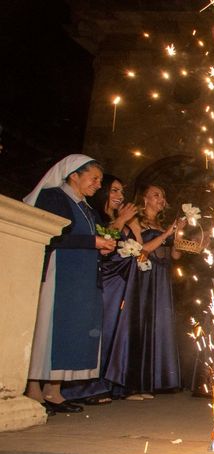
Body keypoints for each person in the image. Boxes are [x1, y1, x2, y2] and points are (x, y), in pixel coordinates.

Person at [23, 155, 116, 414]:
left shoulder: (86, 207)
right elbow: (50, 235)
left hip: (82, 276)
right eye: (94, 178)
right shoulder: (53, 197)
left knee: (70, 330)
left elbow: (96, 236)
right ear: (74, 175)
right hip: (60, 272)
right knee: (50, 327)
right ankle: (33, 389)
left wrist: (104, 245)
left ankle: (54, 390)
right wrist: (94, 243)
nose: (98, 184)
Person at [61, 175, 138, 405]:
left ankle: (106, 383)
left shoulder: (119, 218)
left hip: (122, 282)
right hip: (104, 280)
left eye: (121, 192)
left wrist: (132, 225)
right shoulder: (96, 216)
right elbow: (104, 239)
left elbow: (138, 248)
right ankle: (81, 387)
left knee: (114, 333)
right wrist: (122, 220)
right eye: (114, 191)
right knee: (96, 333)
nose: (120, 196)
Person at [106, 183, 183, 399]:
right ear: (145, 199)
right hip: (143, 276)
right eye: (155, 195)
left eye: (163, 195)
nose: (161, 199)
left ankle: (145, 383)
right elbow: (142, 250)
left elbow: (175, 256)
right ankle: (130, 385)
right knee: (138, 326)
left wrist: (177, 236)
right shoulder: (135, 221)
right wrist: (168, 232)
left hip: (162, 277)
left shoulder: (161, 224)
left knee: (156, 327)